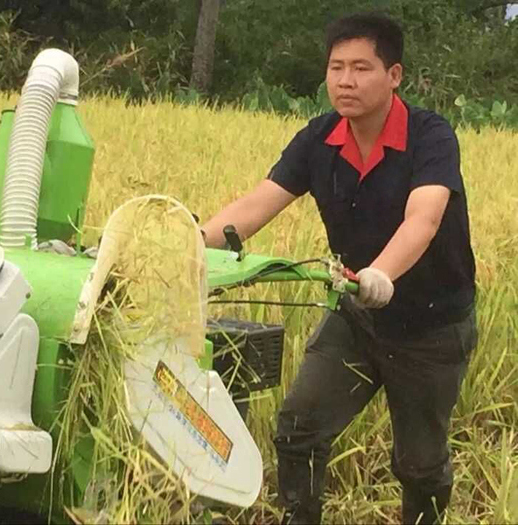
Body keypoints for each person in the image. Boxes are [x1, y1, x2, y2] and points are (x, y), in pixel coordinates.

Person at [201, 13, 478, 525]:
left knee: (418, 464)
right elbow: (257, 206)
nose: (345, 81)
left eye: (361, 68)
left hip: (431, 328)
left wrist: (383, 274)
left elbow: (426, 217)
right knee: (298, 428)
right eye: (336, 68)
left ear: (394, 75)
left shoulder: (430, 136)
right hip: (357, 317)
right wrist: (186, 246)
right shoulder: (321, 137)